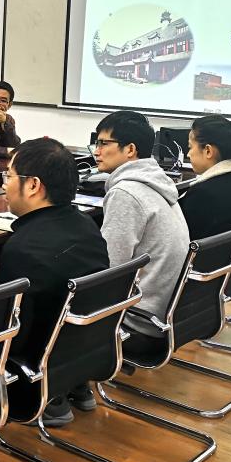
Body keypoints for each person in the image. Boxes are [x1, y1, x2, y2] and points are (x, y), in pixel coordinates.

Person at [0, 138, 109, 427]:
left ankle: (51, 399)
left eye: (9, 176)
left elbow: (13, 335)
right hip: (86, 354)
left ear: (33, 185)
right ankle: (72, 387)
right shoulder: (86, 224)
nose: (4, 185)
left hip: (36, 375)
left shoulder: (23, 248)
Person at [93, 111, 189, 351]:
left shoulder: (126, 193)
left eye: (103, 143)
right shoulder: (158, 182)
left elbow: (110, 270)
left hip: (137, 320)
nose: (96, 151)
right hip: (166, 312)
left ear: (130, 149)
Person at [179, 115, 231, 240]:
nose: (188, 154)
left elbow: (177, 239)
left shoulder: (202, 194)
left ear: (208, 151)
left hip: (200, 253)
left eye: (190, 147)